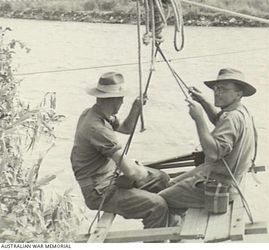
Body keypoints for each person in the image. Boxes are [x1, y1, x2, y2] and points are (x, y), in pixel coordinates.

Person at [70, 71, 169, 229]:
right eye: (122, 98)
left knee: (162, 179)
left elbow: (125, 128)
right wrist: (140, 171)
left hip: (109, 178)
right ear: (114, 99)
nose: (123, 101)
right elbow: (132, 173)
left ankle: (172, 229)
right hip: (99, 191)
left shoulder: (95, 113)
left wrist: (136, 108)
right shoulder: (97, 128)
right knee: (157, 205)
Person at [159, 68, 256, 214]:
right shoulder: (239, 111)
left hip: (220, 188)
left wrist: (199, 119)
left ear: (238, 94)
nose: (217, 92)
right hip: (227, 179)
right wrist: (203, 101)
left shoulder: (232, 118)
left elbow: (212, 154)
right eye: (216, 89)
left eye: (223, 89)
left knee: (157, 201)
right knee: (169, 183)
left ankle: (167, 234)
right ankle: (176, 220)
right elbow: (220, 121)